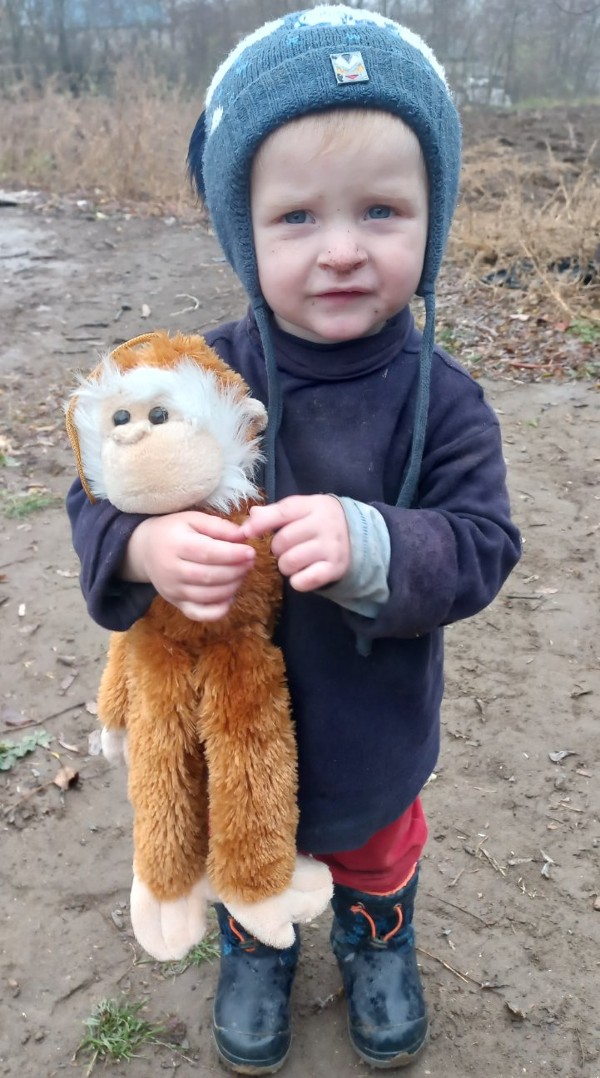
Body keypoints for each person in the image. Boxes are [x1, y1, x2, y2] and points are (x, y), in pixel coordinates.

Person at [67, 5, 521, 1073]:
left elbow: (484, 541)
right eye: (297, 218)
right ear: (243, 230)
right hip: (230, 718)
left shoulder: (442, 398)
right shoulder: (197, 376)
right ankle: (256, 942)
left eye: (381, 209)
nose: (344, 249)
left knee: (373, 842)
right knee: (241, 836)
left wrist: (376, 544)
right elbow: (97, 488)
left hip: (374, 714)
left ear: (432, 218)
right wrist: (139, 550)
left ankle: (376, 940)